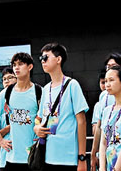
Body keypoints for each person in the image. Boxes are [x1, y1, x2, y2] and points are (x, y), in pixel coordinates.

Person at [34, 43, 89, 171]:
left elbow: (82, 122)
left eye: (46, 57)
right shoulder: (46, 88)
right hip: (47, 156)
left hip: (68, 158)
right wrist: (36, 127)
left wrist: (82, 157)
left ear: (58, 59)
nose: (42, 61)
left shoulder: (72, 85)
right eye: (41, 58)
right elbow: (38, 117)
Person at [0, 52, 42, 171]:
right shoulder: (8, 92)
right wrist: (0, 140)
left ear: (30, 67)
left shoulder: (39, 91)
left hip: (33, 157)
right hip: (12, 158)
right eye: (14, 65)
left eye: (21, 64)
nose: (16, 67)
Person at [90, 71, 108, 171]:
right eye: (103, 82)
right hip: (102, 150)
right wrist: (94, 153)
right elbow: (96, 129)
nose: (106, 85)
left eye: (110, 81)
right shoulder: (99, 104)